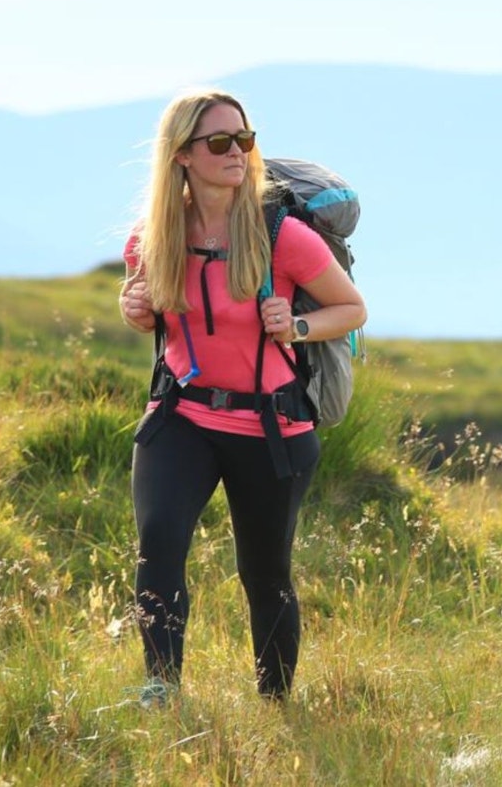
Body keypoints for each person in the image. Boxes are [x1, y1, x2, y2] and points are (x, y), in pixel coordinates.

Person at [117, 88, 366, 707]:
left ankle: (275, 704)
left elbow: (352, 309)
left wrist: (297, 325)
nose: (237, 153)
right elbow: (148, 313)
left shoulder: (281, 236)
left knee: (264, 574)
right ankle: (160, 689)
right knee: (159, 544)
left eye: (244, 140)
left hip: (271, 429)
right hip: (181, 416)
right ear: (181, 156)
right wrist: (134, 309)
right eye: (220, 142)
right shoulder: (152, 236)